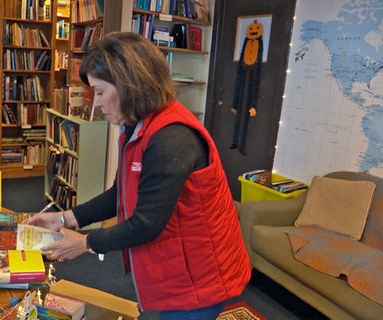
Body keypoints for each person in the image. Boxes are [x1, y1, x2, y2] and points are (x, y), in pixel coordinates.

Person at [24, 32, 251, 320]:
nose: (96, 103)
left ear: (129, 85)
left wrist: (84, 243)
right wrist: (62, 219)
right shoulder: (136, 126)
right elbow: (119, 193)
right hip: (181, 268)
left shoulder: (172, 138)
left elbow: (147, 224)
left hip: (201, 277)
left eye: (101, 91)